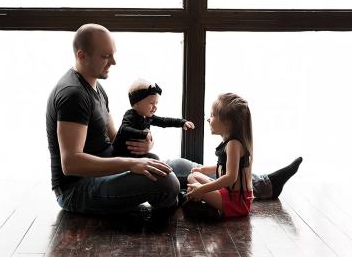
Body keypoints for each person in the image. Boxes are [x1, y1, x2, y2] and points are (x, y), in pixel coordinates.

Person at [46, 23, 302, 217]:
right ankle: (188, 199)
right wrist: (132, 164)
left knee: (182, 166)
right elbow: (71, 164)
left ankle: (263, 184)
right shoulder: (72, 95)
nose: (113, 61)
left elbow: (115, 139)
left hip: (108, 169)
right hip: (77, 190)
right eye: (105, 56)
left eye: (112, 54)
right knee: (165, 180)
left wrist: (143, 147)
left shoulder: (95, 87)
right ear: (82, 55)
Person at [183, 93, 254, 219]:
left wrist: (202, 189)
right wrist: (203, 170)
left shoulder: (234, 144)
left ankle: (205, 205)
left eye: (212, 115)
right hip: (227, 193)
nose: (208, 119)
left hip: (236, 201)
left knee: (193, 188)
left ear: (226, 123)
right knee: (193, 176)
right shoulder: (228, 142)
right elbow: (224, 166)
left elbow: (230, 177)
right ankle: (204, 203)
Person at [112, 78, 195, 159]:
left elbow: (164, 121)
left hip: (134, 154)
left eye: (156, 103)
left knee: (155, 158)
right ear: (136, 103)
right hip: (120, 155)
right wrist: (143, 134)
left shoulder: (148, 117)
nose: (155, 107)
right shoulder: (130, 115)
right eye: (151, 103)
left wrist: (182, 122)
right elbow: (124, 129)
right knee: (153, 160)